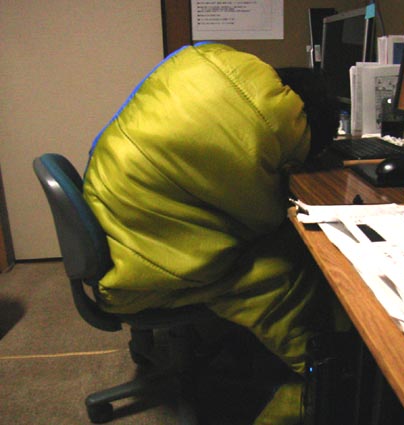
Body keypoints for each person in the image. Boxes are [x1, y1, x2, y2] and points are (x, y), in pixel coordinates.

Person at [83, 42, 348, 423]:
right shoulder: (271, 123)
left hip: (112, 213)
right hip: (142, 266)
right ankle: (321, 373)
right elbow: (261, 219)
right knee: (289, 269)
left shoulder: (208, 62)